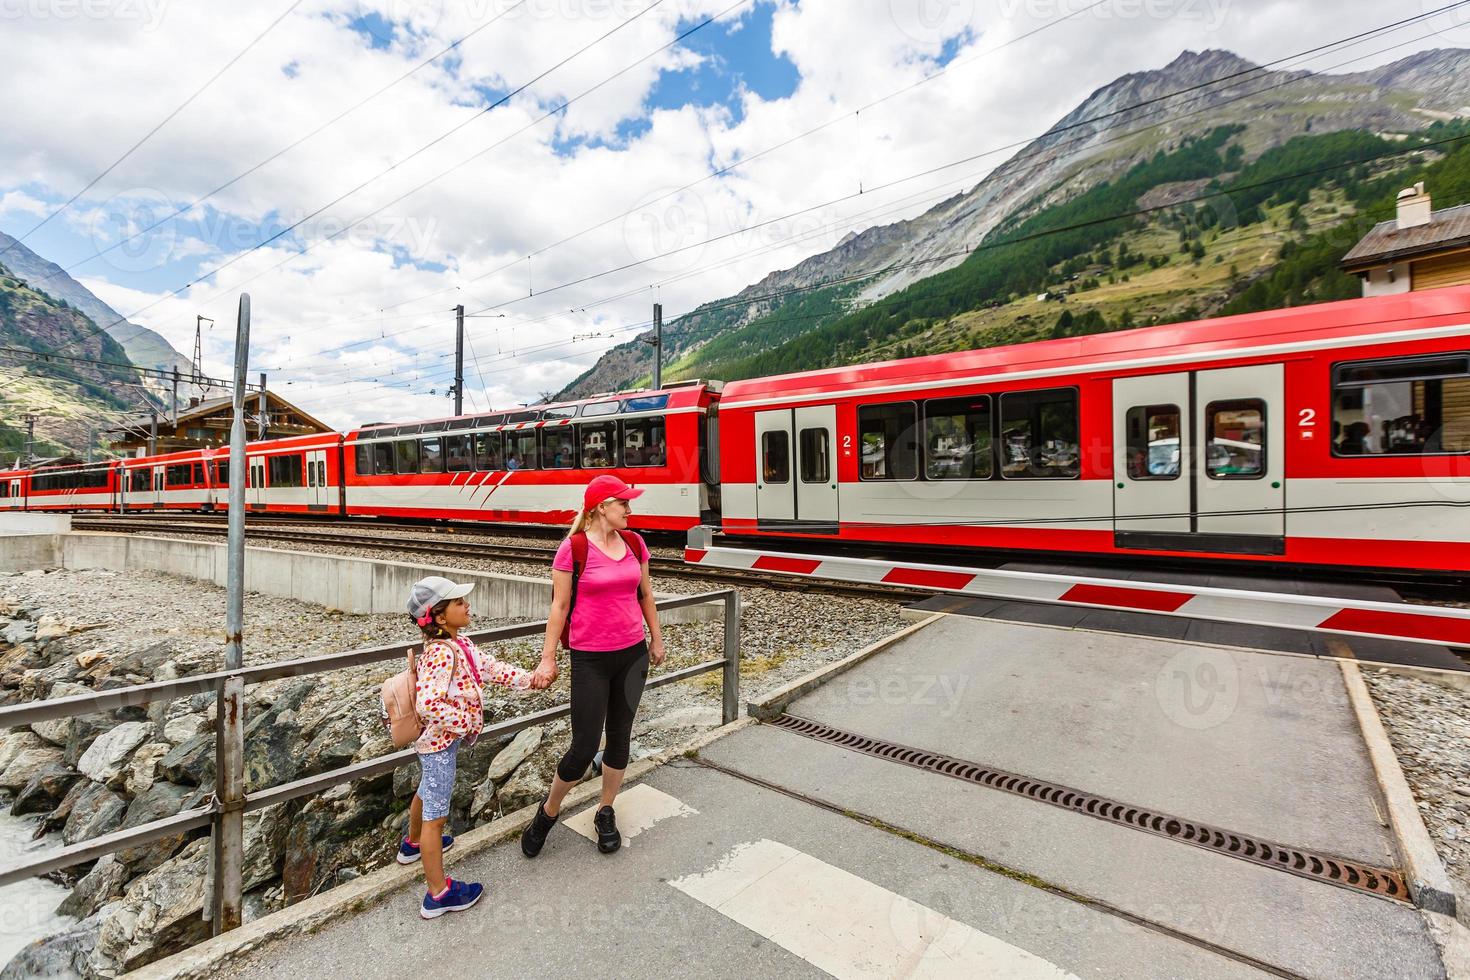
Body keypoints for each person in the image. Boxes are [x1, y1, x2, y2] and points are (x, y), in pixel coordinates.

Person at [520, 475, 666, 858]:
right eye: (624, 503)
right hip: (590, 659)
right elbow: (559, 607)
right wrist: (548, 657)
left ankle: (605, 810)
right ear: (602, 506)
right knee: (584, 746)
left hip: (632, 655)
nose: (630, 510)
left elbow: (646, 594)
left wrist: (657, 637)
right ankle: (548, 812)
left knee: (619, 739)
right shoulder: (574, 548)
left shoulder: (635, 543)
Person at [400, 576, 543, 918]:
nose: (467, 605)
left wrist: (529, 679)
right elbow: (428, 704)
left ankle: (413, 844)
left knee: (427, 790)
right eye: (459, 602)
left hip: (438, 743)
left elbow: (490, 668)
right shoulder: (440, 654)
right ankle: (438, 894)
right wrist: (465, 724)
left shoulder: (459, 644)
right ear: (439, 617)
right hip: (438, 744)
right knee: (438, 816)